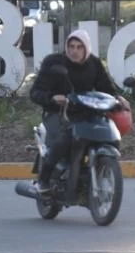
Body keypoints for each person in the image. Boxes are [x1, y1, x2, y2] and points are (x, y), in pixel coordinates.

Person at [29, 29, 127, 195]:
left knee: (108, 134)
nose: (74, 51)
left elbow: (106, 88)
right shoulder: (54, 63)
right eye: (71, 46)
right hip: (58, 113)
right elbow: (35, 92)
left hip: (86, 113)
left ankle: (98, 170)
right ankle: (43, 180)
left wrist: (118, 98)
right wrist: (52, 98)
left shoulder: (94, 63)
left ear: (86, 48)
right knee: (66, 138)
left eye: (79, 47)